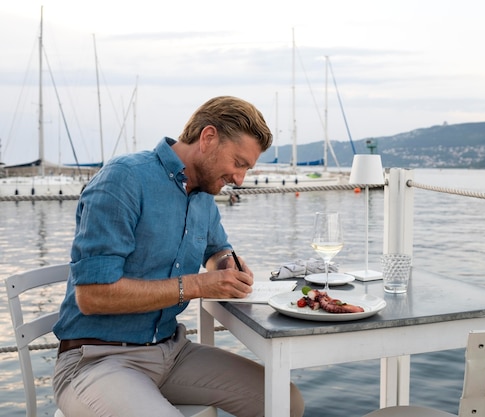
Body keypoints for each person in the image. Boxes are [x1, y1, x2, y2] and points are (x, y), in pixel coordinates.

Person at [52, 96, 305, 417]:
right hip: (95, 360)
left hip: (171, 352)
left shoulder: (203, 196)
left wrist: (227, 266)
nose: (240, 179)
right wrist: (199, 285)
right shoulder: (124, 179)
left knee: (284, 401)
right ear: (208, 137)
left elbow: (217, 250)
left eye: (247, 169)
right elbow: (93, 296)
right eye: (239, 163)